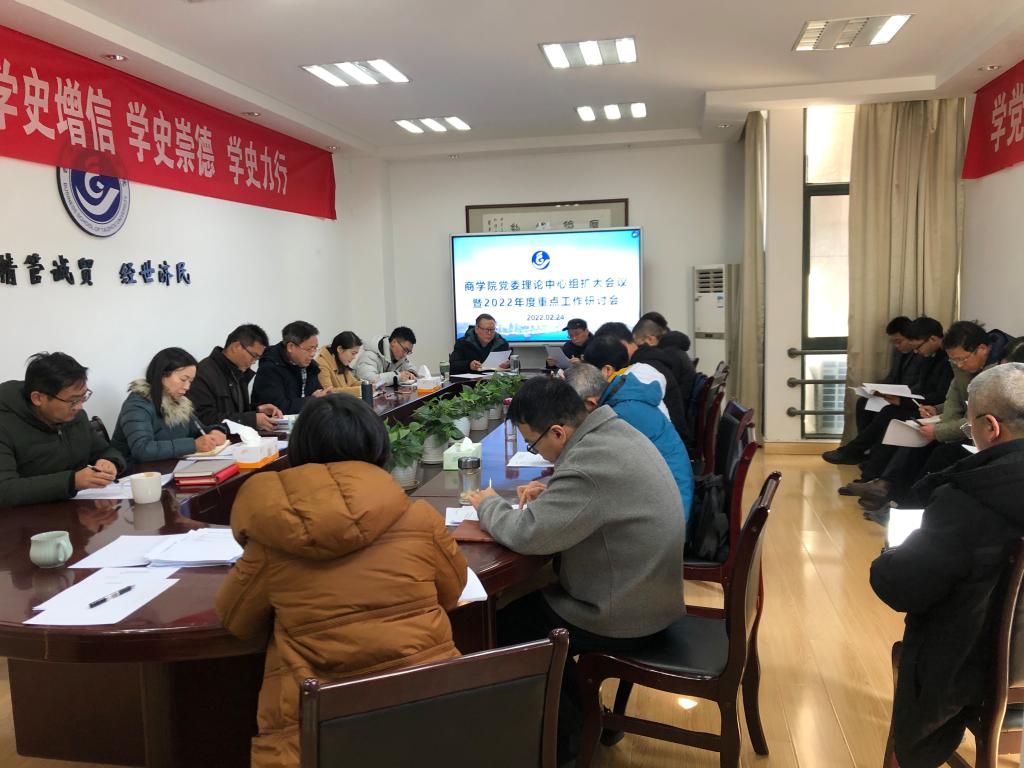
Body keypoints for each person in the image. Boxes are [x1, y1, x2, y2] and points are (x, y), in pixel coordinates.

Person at [215, 394, 467, 768]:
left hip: (320, 737)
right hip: (431, 718)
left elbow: (236, 621)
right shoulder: (419, 518)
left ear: (300, 449)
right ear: (378, 447)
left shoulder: (272, 536)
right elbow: (453, 591)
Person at [468, 377, 684, 764]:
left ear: (558, 432)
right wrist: (554, 491)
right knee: (530, 605)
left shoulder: (588, 466)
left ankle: (570, 735)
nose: (536, 453)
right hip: (650, 588)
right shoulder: (612, 431)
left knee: (508, 627)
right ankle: (586, 716)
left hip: (625, 611)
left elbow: (527, 534)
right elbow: (600, 493)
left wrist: (487, 504)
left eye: (533, 444)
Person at [870, 363, 1024, 768]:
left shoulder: (967, 501)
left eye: (969, 425)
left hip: (985, 672)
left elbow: (901, 587)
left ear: (991, 427)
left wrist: (889, 556)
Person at [853, 320, 1014, 513]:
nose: (959, 365)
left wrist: (939, 432)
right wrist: (937, 410)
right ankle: (893, 496)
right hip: (971, 427)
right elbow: (957, 399)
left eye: (962, 359)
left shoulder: (1001, 369)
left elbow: (980, 416)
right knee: (919, 438)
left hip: (990, 434)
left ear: (981, 349)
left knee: (940, 452)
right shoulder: (966, 365)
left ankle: (905, 504)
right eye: (954, 361)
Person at [565, 355, 693, 521]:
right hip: (668, 496)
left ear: (590, 403)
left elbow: (597, 468)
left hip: (669, 514)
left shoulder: (620, 415)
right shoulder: (625, 398)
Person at [0, 352, 126, 508]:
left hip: (76, 510)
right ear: (38, 398)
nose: (79, 407)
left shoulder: (76, 416)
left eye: (83, 397)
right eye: (73, 401)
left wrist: (110, 462)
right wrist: (72, 482)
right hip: (27, 517)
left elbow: (106, 451)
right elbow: (5, 490)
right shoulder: (5, 424)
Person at [828, 316, 952, 468]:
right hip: (921, 403)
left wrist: (903, 400)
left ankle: (865, 459)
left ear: (933, 339)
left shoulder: (948, 360)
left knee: (891, 413)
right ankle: (866, 458)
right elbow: (919, 387)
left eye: (918, 347)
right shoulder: (929, 356)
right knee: (873, 405)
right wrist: (882, 391)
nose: (916, 351)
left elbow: (942, 396)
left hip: (930, 408)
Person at [111, 347, 228, 463]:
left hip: (168, 466)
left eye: (190, 381)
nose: (187, 387)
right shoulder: (137, 405)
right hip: (136, 471)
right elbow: (143, 449)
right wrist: (193, 445)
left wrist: (216, 431)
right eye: (183, 379)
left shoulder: (179, 402)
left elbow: (199, 430)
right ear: (162, 375)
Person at [593, 321, 688, 444]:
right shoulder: (647, 359)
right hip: (668, 437)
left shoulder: (643, 370)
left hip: (668, 441)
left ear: (622, 344)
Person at [191, 324, 284, 432]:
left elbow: (235, 412)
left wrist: (257, 410)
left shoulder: (239, 371)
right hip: (219, 440)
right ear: (236, 347)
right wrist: (252, 419)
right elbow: (204, 418)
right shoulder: (203, 372)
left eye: (257, 358)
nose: (254, 362)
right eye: (254, 356)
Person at [252, 321, 330, 415]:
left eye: (315, 348)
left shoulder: (310, 366)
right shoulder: (270, 367)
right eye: (309, 349)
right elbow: (279, 409)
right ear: (290, 347)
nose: (313, 354)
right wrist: (313, 400)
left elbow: (317, 394)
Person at [315, 331, 363, 396]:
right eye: (353, 353)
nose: (354, 357)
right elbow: (328, 392)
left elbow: (353, 383)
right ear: (340, 349)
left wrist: (368, 385)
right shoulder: (321, 364)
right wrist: (361, 390)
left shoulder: (341, 360)